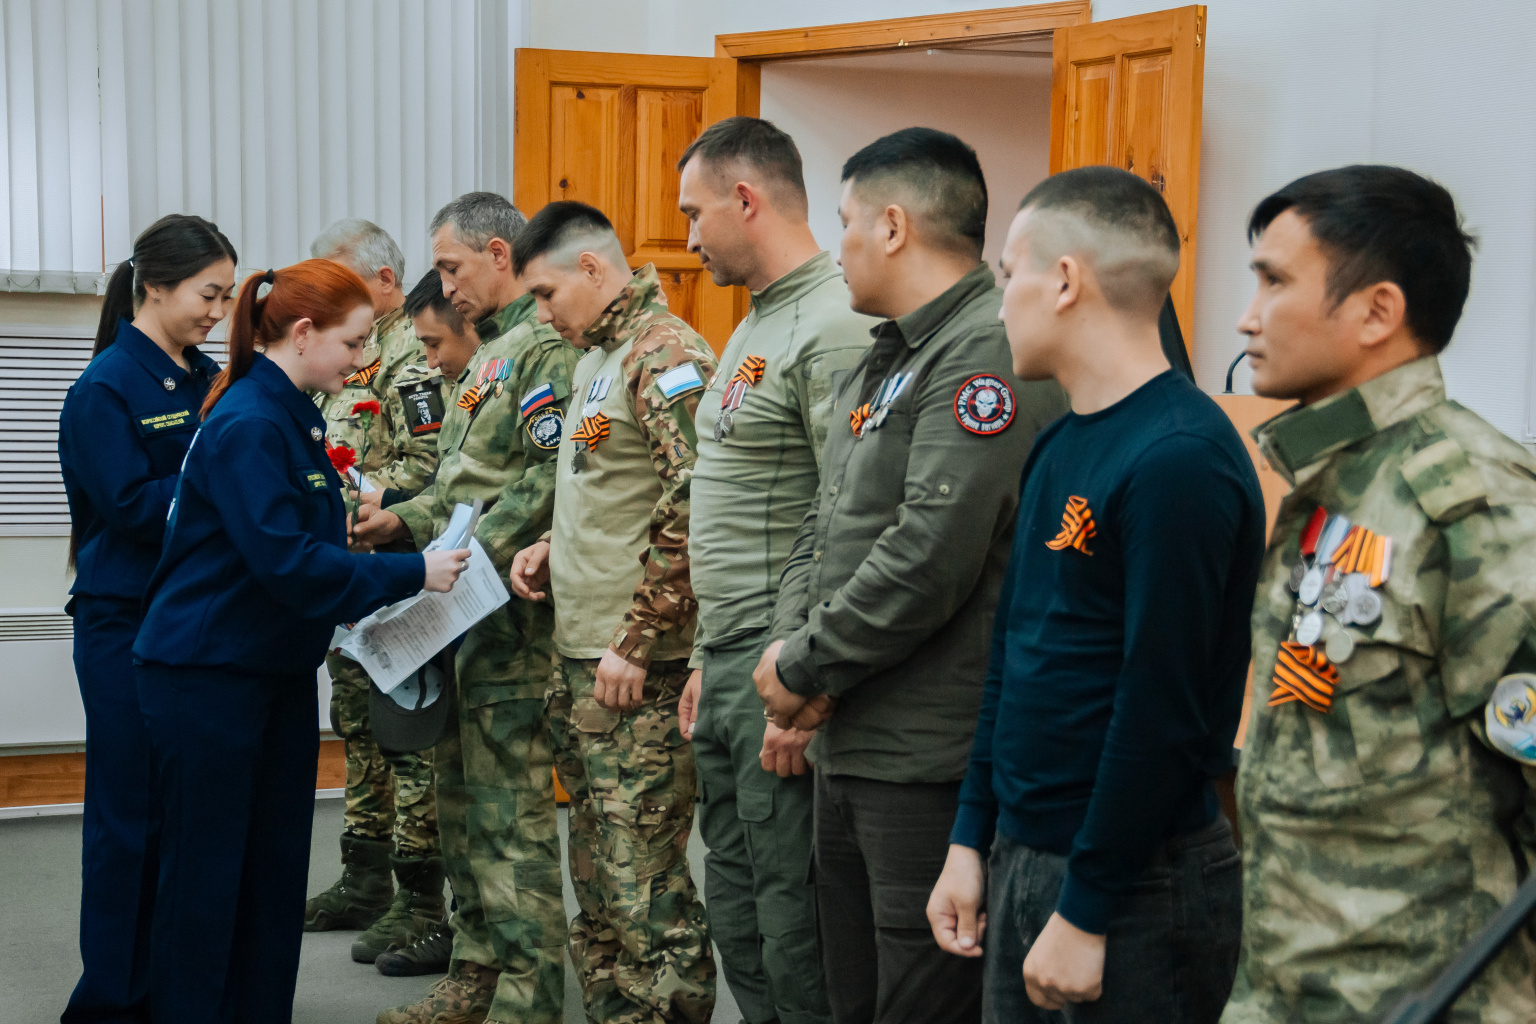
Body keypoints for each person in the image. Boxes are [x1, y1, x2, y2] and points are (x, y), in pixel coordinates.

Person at [927, 166, 1264, 1024]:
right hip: (1026, 853)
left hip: (1133, 880)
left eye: (1010, 276)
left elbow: (1163, 711)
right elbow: (1012, 659)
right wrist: (971, 836)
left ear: (1066, 280)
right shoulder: (1061, 442)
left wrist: (1087, 907)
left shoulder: (1179, 458)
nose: (999, 307)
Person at [752, 127, 1068, 1024]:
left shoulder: (982, 351)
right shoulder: (888, 353)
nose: (836, 247)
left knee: (919, 1002)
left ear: (892, 226)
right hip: (850, 734)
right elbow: (824, 521)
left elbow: (930, 553)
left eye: (845, 222)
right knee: (850, 994)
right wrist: (790, 649)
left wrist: (805, 666)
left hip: (925, 758)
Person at [1221, 166, 1536, 1023]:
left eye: (1275, 282)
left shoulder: (1469, 501)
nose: (1248, 317)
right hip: (1286, 987)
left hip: (1426, 999)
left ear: (1376, 312)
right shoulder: (1340, 478)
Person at [131, 259, 469, 1024]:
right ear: (306, 333)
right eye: (352, 343)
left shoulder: (292, 416)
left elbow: (301, 537)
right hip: (207, 677)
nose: (362, 359)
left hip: (267, 669)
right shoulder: (252, 421)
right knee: (207, 879)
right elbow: (286, 563)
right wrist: (414, 571)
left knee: (271, 872)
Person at [356, 192, 580, 1024]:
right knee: (460, 812)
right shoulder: (490, 354)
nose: (444, 287)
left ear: (497, 253)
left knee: (508, 822)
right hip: (459, 620)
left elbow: (549, 478)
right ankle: (475, 973)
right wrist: (403, 524)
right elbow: (461, 491)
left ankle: (526, 998)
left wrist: (459, 551)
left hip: (511, 624)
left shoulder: (542, 348)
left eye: (451, 268)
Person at [672, 115, 875, 1024]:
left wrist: (805, 682)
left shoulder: (833, 324)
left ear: (746, 199)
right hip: (727, 656)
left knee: (793, 916)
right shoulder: (757, 321)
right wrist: (700, 656)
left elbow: (848, 517)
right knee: (737, 901)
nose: (687, 238)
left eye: (694, 213)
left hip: (777, 658)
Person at [508, 199, 718, 1023]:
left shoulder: (664, 352)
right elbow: (614, 486)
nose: (541, 313)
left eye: (546, 293)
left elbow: (695, 502)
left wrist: (639, 637)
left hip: (639, 666)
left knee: (645, 885)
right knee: (597, 873)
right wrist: (551, 544)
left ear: (593, 268)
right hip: (584, 657)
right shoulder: (598, 355)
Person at [56, 214, 237, 1024]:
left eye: (228, 297)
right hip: (124, 623)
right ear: (155, 287)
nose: (220, 313)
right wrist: (228, 491)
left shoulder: (210, 377)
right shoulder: (103, 388)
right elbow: (132, 507)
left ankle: (174, 991)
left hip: (195, 622)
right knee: (129, 819)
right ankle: (111, 1001)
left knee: (187, 817)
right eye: (209, 294)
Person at [304, 219, 450, 965]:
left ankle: (419, 895)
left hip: (398, 568)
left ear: (384, 282)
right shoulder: (349, 352)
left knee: (406, 737)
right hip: (350, 571)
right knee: (357, 724)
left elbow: (427, 467)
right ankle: (365, 875)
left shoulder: (414, 358)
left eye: (342, 281)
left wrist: (362, 503)